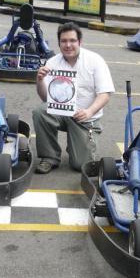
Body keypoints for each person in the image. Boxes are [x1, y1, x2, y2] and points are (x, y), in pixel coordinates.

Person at [32, 22, 115, 173]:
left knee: (81, 165)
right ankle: (49, 157)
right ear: (59, 43)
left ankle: (76, 143)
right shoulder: (52, 63)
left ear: (80, 42)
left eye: (72, 41)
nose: (68, 45)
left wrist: (89, 112)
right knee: (41, 111)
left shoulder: (95, 60)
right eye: (64, 41)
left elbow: (105, 94)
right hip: (62, 112)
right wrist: (39, 81)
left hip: (84, 118)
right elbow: (46, 99)